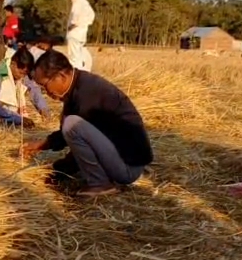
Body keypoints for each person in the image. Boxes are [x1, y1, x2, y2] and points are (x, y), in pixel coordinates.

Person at [22, 51, 152, 197]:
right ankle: (101, 178)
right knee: (70, 124)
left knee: (71, 124)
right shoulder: (77, 87)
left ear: (61, 76)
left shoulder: (88, 93)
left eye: (44, 85)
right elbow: (79, 141)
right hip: (122, 159)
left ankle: (100, 184)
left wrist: (56, 168)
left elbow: (74, 135)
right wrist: (48, 153)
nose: (45, 92)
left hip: (128, 167)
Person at [64, 0, 95, 71]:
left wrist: (72, 26)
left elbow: (75, 17)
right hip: (82, 34)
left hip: (75, 34)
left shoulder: (77, 3)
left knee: (74, 59)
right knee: (80, 57)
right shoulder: (85, 2)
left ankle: (76, 78)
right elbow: (91, 16)